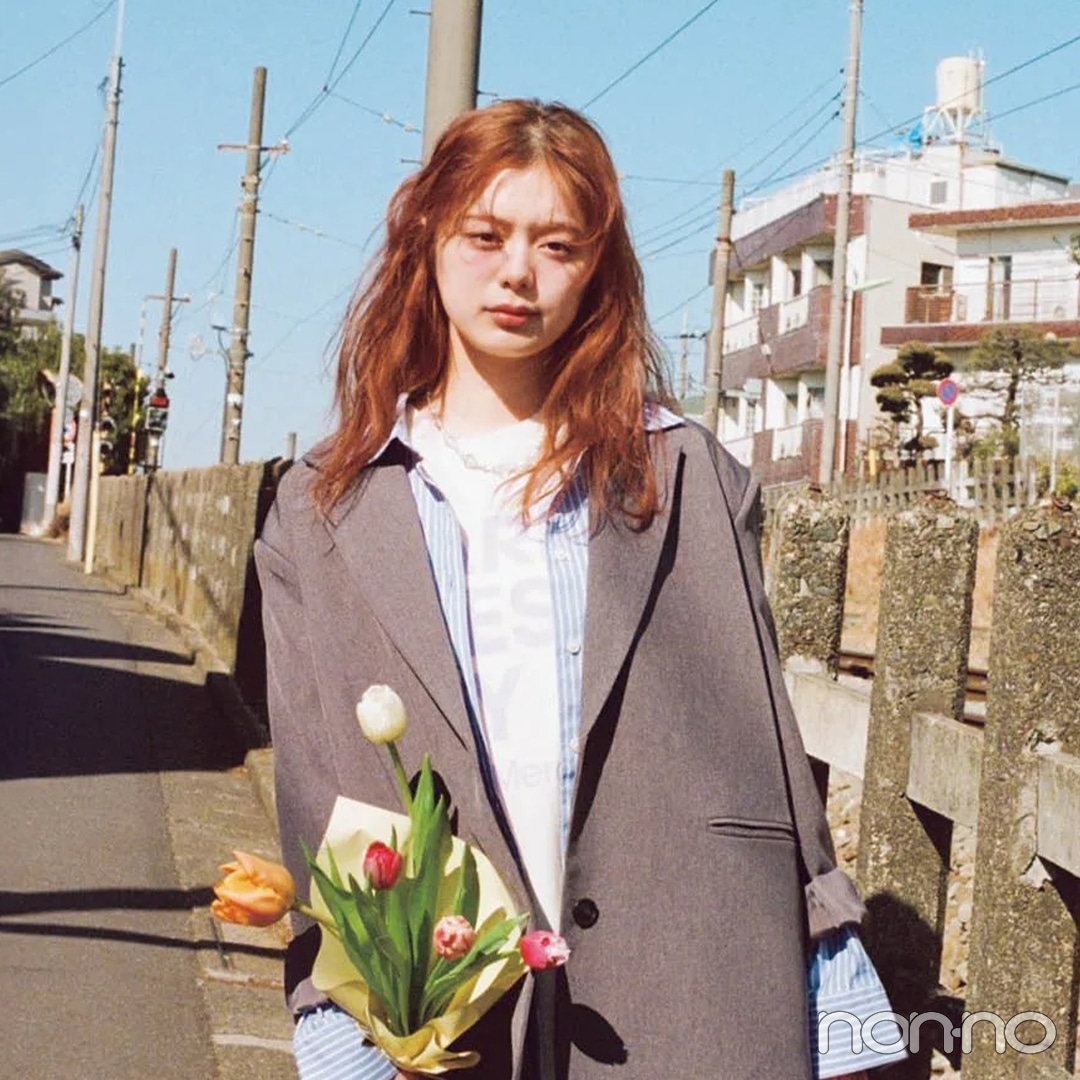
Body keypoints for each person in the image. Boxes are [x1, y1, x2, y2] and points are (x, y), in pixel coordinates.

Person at [255, 99, 905, 1080]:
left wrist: (836, 983)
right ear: (427, 238)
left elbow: (761, 741)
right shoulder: (325, 505)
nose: (518, 272)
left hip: (686, 982)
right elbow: (317, 790)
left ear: (597, 268)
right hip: (441, 1005)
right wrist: (338, 1023)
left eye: (557, 245)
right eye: (485, 236)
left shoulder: (682, 472)